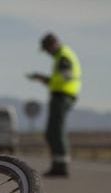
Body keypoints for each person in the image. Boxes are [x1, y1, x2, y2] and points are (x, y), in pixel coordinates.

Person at [27, 33, 82, 177]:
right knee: (53, 132)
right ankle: (58, 165)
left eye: (47, 49)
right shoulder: (61, 56)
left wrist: (46, 79)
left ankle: (61, 167)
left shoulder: (63, 56)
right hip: (61, 95)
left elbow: (65, 77)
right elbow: (59, 79)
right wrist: (44, 79)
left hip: (63, 96)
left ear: (52, 45)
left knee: (56, 131)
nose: (47, 53)